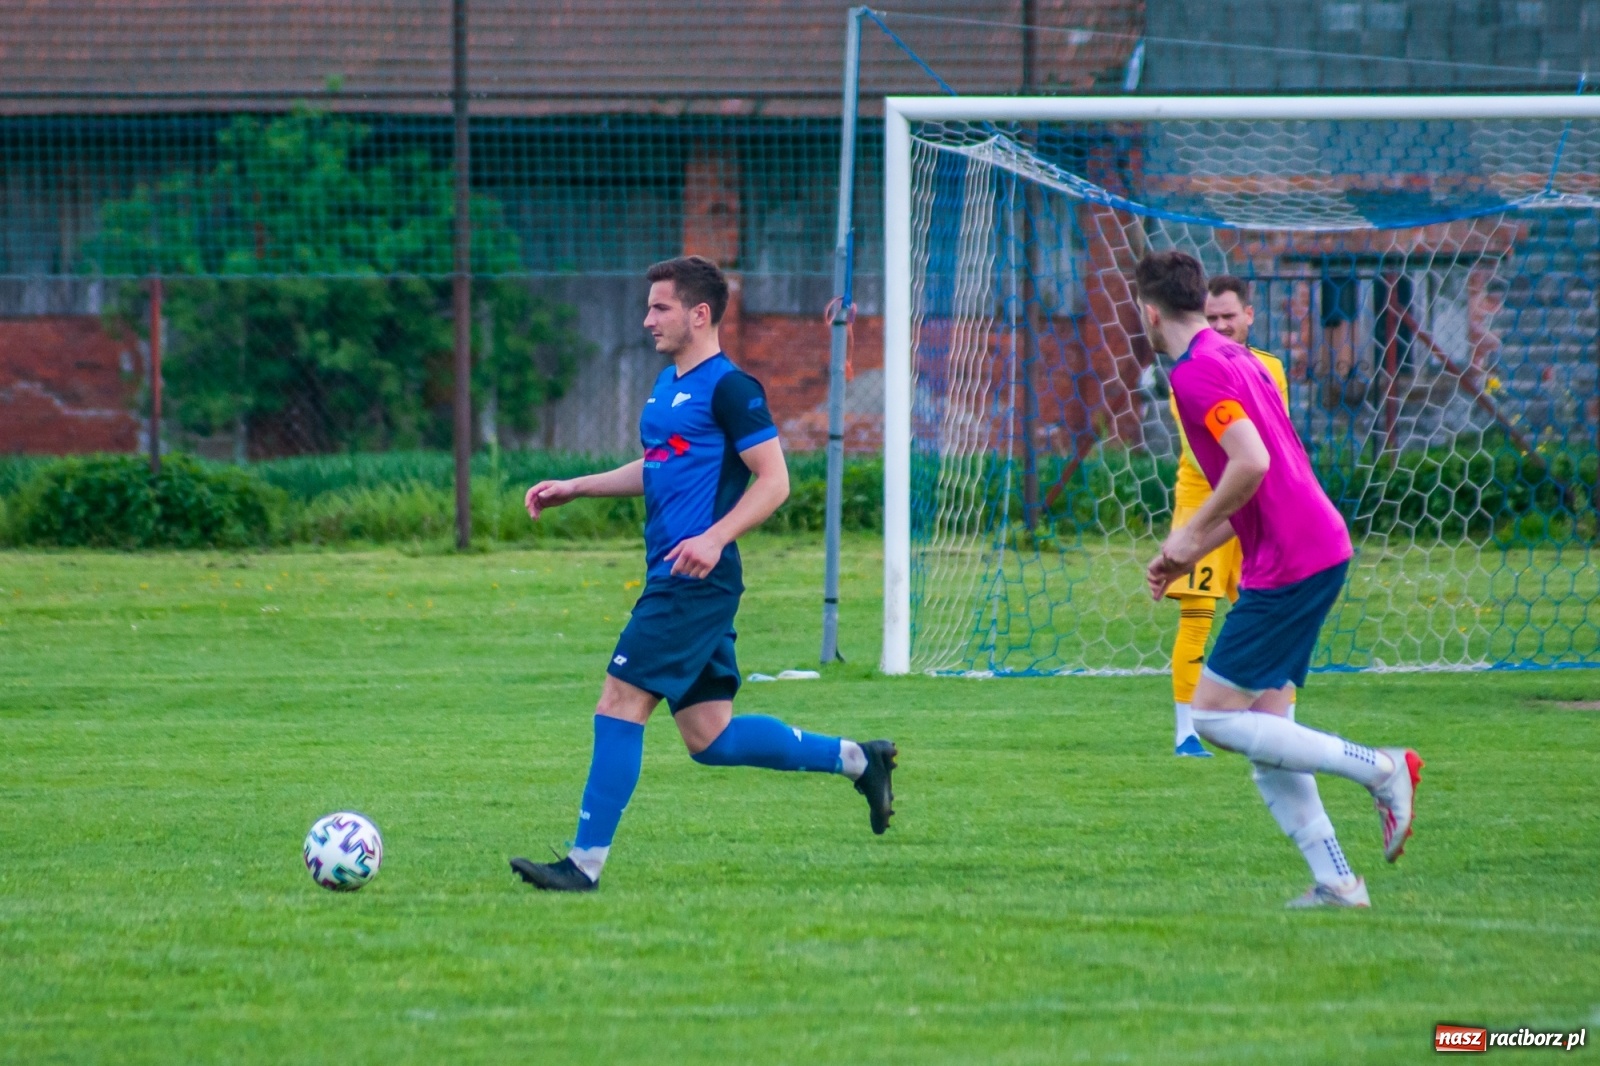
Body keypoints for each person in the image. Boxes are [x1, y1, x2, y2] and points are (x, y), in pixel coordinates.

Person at [510, 255, 897, 892]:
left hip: (692, 582)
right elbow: (657, 466)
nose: (647, 319)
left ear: (699, 314)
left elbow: (774, 481)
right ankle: (860, 760)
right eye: (649, 307)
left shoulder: (731, 389)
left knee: (618, 700)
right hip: (681, 575)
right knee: (710, 738)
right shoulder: (669, 386)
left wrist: (715, 538)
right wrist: (577, 487)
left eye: (660, 307)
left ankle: (583, 865)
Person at [1136, 250, 1421, 908]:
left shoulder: (1195, 374)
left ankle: (1382, 768)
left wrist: (1187, 534)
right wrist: (1188, 551)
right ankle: (1338, 882)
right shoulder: (1239, 359)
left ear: (1149, 312)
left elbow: (1252, 463)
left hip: (1294, 558)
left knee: (1211, 716)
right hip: (1305, 547)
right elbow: (1257, 483)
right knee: (1269, 737)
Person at [1165, 276, 1290, 758]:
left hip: (1257, 500)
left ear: (1249, 315)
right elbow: (1204, 453)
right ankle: (1187, 733)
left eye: (1228, 317)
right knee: (1197, 616)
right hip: (1206, 503)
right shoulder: (1190, 371)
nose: (1219, 326)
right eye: (1211, 318)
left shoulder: (1270, 368)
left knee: (1267, 615)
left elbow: (1274, 437)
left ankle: (1281, 723)